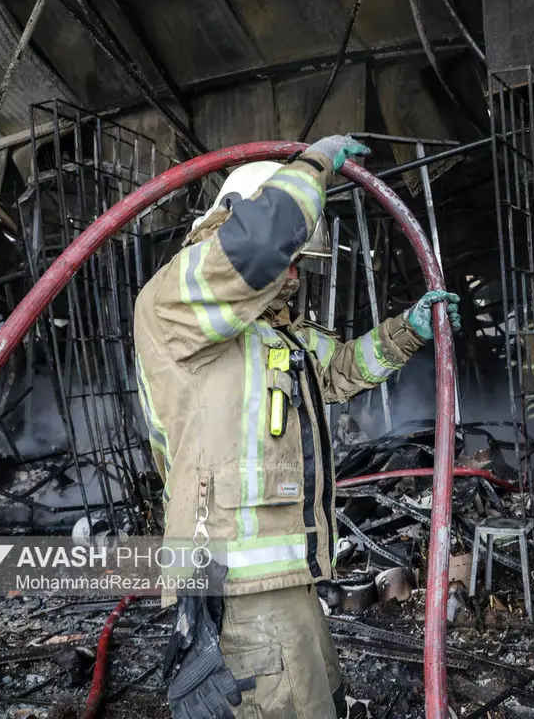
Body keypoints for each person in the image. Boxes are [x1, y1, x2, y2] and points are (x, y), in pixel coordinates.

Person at [133, 135, 461, 719]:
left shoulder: (272, 332)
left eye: (299, 265)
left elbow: (338, 370)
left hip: (287, 578)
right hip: (233, 581)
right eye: (289, 259)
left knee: (322, 700)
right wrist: (312, 165)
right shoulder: (176, 303)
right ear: (235, 220)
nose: (292, 276)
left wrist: (408, 330)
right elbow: (255, 246)